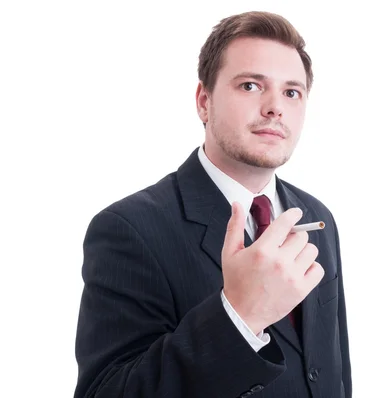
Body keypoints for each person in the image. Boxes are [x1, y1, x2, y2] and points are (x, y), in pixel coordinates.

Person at [74, 10, 352, 398]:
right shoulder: (129, 229)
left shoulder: (317, 217)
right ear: (204, 101)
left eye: (292, 92)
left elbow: (331, 376)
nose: (275, 107)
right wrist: (238, 316)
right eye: (251, 86)